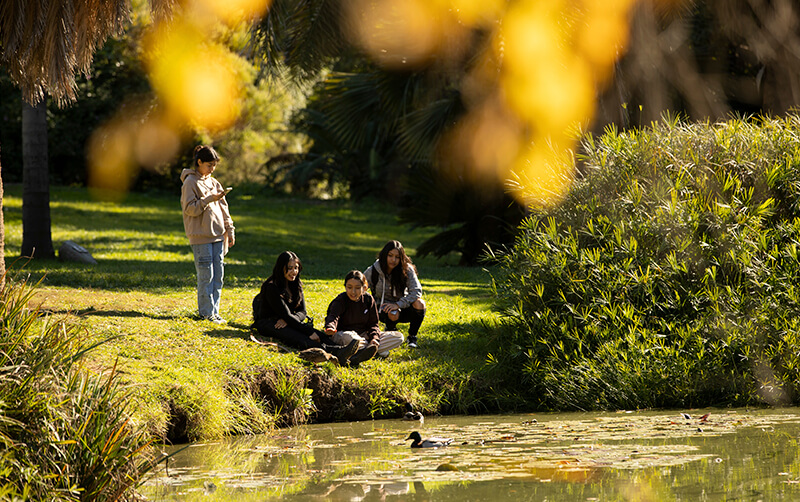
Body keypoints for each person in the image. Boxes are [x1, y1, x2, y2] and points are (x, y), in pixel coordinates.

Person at [253, 251, 359, 365]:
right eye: (289, 268)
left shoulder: (295, 284)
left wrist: (290, 320)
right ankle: (337, 352)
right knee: (299, 337)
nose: (294, 272)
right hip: (269, 323)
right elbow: (286, 315)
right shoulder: (272, 287)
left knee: (319, 335)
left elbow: (302, 312)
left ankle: (351, 353)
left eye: (296, 268)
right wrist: (305, 330)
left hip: (287, 320)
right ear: (281, 268)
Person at [180, 145, 235, 324]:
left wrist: (230, 229)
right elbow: (190, 209)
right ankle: (206, 313)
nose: (212, 169)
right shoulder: (190, 182)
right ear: (199, 162)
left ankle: (215, 311)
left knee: (218, 275)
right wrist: (208, 199)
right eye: (209, 165)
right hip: (201, 237)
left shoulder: (214, 182)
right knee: (206, 276)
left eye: (214, 166)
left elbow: (224, 208)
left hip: (218, 236)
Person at [324, 270, 404, 367]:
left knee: (399, 337)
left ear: (364, 288)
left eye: (357, 288)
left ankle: (365, 351)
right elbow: (333, 317)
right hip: (344, 335)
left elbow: (373, 324)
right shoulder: (340, 300)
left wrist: (374, 339)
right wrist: (330, 327)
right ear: (345, 287)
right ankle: (371, 351)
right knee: (353, 339)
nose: (353, 292)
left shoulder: (368, 300)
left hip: (364, 336)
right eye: (349, 287)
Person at [364, 240, 426, 348]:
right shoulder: (374, 270)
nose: (393, 260)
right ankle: (390, 331)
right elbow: (360, 286)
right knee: (393, 312)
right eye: (390, 255)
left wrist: (398, 304)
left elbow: (417, 291)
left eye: (397, 257)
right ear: (384, 255)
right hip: (381, 309)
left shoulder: (407, 269)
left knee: (420, 303)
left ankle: (412, 337)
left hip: (403, 306)